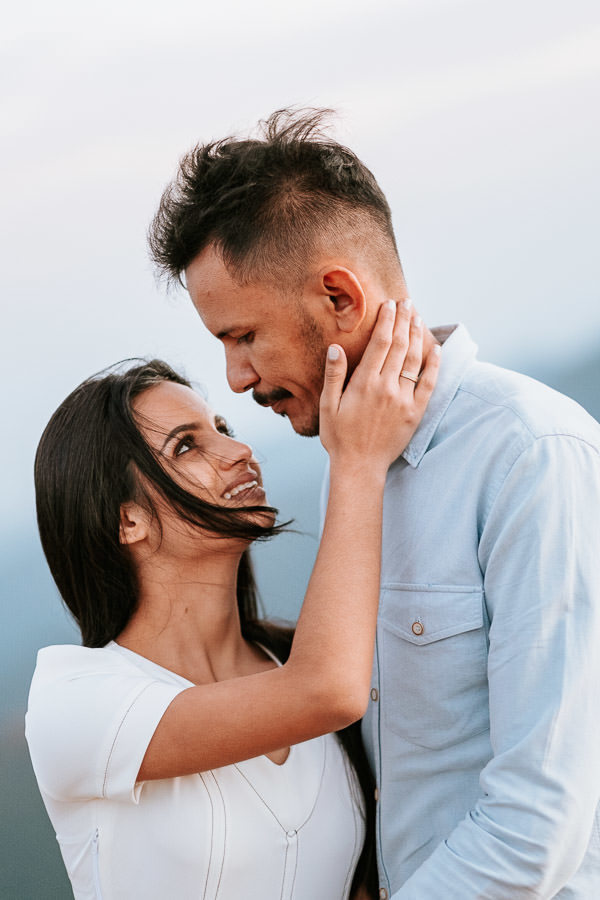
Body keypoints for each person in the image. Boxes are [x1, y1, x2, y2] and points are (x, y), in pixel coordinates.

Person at [147, 107, 600, 898]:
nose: (236, 378)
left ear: (340, 297)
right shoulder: (352, 461)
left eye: (243, 336)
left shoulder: (532, 455)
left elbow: (537, 827)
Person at [25, 304, 439, 900]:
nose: (238, 451)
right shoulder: (76, 703)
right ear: (126, 520)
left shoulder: (294, 658)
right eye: (187, 447)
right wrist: (358, 461)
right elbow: (326, 692)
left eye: (222, 427)